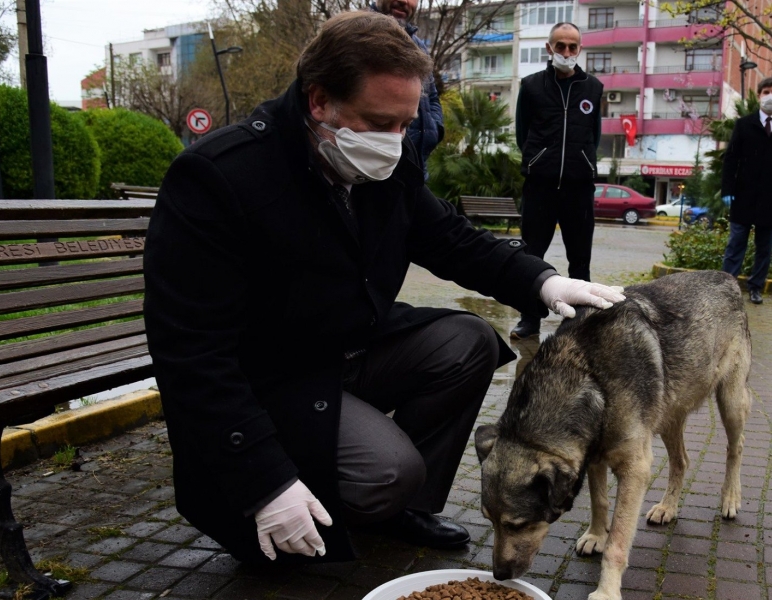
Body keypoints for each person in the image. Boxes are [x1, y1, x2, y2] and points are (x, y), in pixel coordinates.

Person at [143, 11, 624, 565]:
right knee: (387, 471)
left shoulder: (377, 163)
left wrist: (543, 280)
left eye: (405, 124)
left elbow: (452, 239)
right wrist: (264, 482)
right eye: (380, 122)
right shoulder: (221, 178)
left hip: (348, 352)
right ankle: (324, 503)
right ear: (319, 101)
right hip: (274, 381)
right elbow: (190, 353)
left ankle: (403, 511)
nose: (396, 143)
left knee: (466, 340)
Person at [509, 22, 604, 340]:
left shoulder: (593, 88)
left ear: (579, 49)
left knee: (581, 258)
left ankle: (579, 322)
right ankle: (529, 318)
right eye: (560, 46)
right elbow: (523, 133)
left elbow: (595, 134)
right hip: (541, 185)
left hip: (579, 186)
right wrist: (540, 161)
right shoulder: (532, 85)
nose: (566, 52)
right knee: (531, 255)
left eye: (572, 46)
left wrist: (583, 163)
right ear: (549, 48)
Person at [371, 0, 443, 179]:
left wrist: (434, 129)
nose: (404, 1)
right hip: (372, 170)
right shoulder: (358, 34)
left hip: (416, 168)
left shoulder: (417, 45)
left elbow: (432, 96)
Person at [721, 76, 772, 305]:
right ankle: (727, 288)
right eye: (766, 92)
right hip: (743, 196)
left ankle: (755, 287)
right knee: (736, 244)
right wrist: (727, 189)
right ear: (760, 95)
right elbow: (730, 159)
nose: (770, 96)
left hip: (769, 200)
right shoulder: (744, 124)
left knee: (765, 248)